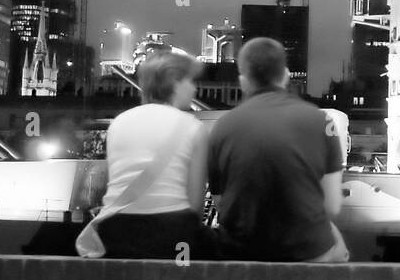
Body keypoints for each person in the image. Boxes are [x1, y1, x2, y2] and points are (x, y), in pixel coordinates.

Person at [207, 37, 348, 262]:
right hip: (307, 252)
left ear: (243, 82)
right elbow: (332, 207)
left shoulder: (221, 128)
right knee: (340, 248)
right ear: (285, 75)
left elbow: (221, 205)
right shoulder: (323, 122)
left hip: (240, 254)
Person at [77, 52, 216, 259]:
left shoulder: (119, 123)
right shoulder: (194, 127)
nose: (195, 88)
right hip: (172, 232)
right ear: (175, 82)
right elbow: (195, 206)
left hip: (115, 231)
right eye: (190, 81)